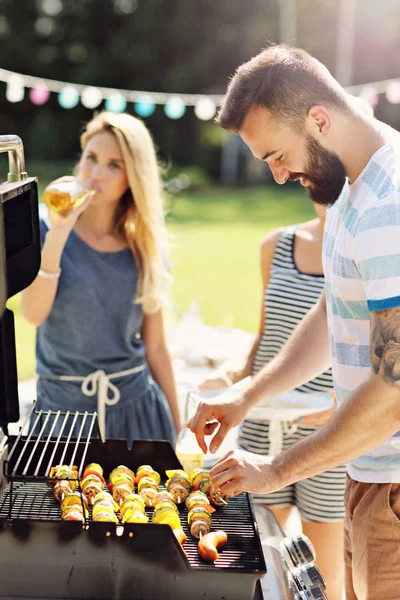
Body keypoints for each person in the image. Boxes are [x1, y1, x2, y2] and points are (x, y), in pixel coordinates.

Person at [189, 44, 400, 600]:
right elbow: (335, 309)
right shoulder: (353, 191)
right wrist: (246, 395)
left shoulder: (390, 207)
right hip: (370, 475)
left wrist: (275, 471)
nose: (280, 177)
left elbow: (394, 387)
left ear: (320, 120)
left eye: (277, 156)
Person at [200, 202, 345, 600]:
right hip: (264, 426)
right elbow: (266, 338)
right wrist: (231, 377)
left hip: (331, 437)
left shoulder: (358, 246)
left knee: (325, 580)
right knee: (256, 565)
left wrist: (344, 402)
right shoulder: (277, 245)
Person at [22, 111, 180, 445]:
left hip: (137, 413)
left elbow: (156, 347)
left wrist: (177, 426)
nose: (96, 173)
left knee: (140, 499)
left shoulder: (144, 246)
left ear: (132, 178)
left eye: (114, 165)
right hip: (61, 416)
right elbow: (33, 314)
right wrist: (59, 232)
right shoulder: (45, 229)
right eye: (91, 158)